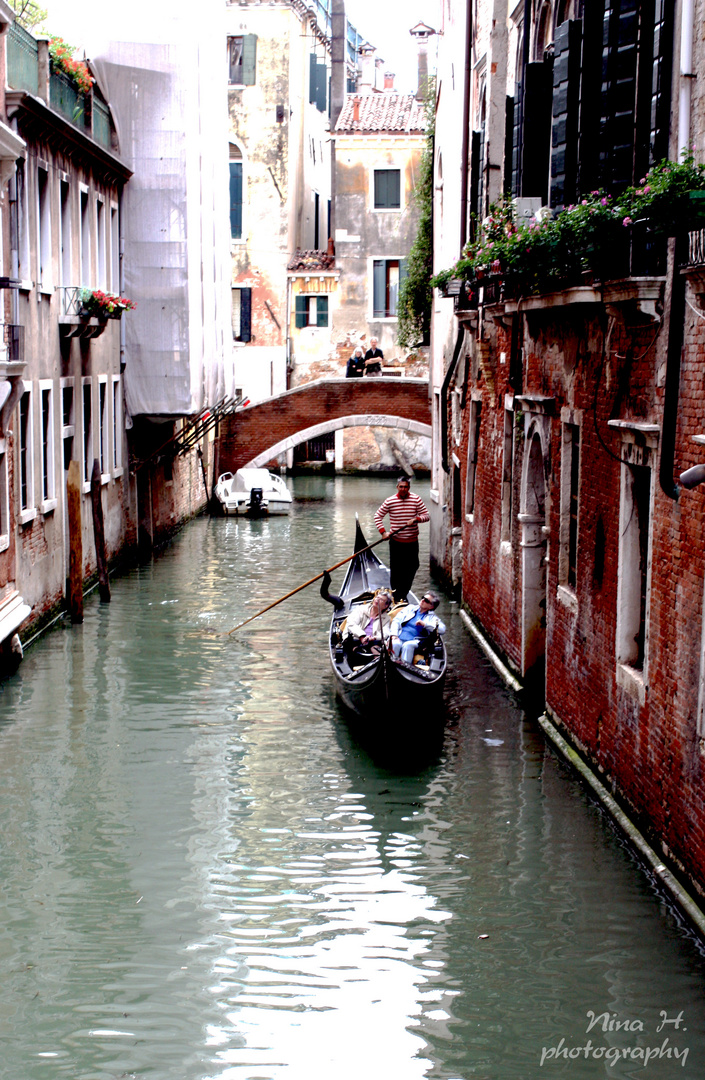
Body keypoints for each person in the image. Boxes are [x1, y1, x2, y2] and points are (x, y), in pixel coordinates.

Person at [374, 476, 430, 603]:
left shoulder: (416, 499)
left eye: (405, 487)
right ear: (397, 487)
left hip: (412, 542)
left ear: (409, 487)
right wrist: (383, 532)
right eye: (401, 487)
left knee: (413, 566)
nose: (403, 489)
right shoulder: (390, 501)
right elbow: (377, 516)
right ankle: (397, 596)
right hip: (396, 542)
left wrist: (416, 519)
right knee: (397, 570)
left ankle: (403, 593)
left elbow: (426, 516)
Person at [390, 592, 446, 665]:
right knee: (395, 643)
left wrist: (425, 624)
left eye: (426, 600)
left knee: (407, 645)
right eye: (423, 597)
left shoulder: (432, 618)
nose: (422, 600)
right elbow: (396, 621)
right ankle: (391, 665)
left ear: (431, 606)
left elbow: (442, 629)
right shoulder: (410, 608)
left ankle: (405, 668)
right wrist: (394, 635)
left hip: (415, 641)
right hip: (399, 637)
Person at [342, 590, 393, 662]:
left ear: (386, 606)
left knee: (377, 649)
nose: (377, 600)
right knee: (354, 648)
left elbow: (385, 633)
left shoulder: (386, 618)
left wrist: (374, 638)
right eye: (377, 597)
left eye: (381, 600)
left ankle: (376, 663)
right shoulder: (361, 609)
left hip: (372, 641)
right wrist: (362, 636)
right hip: (355, 638)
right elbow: (351, 623)